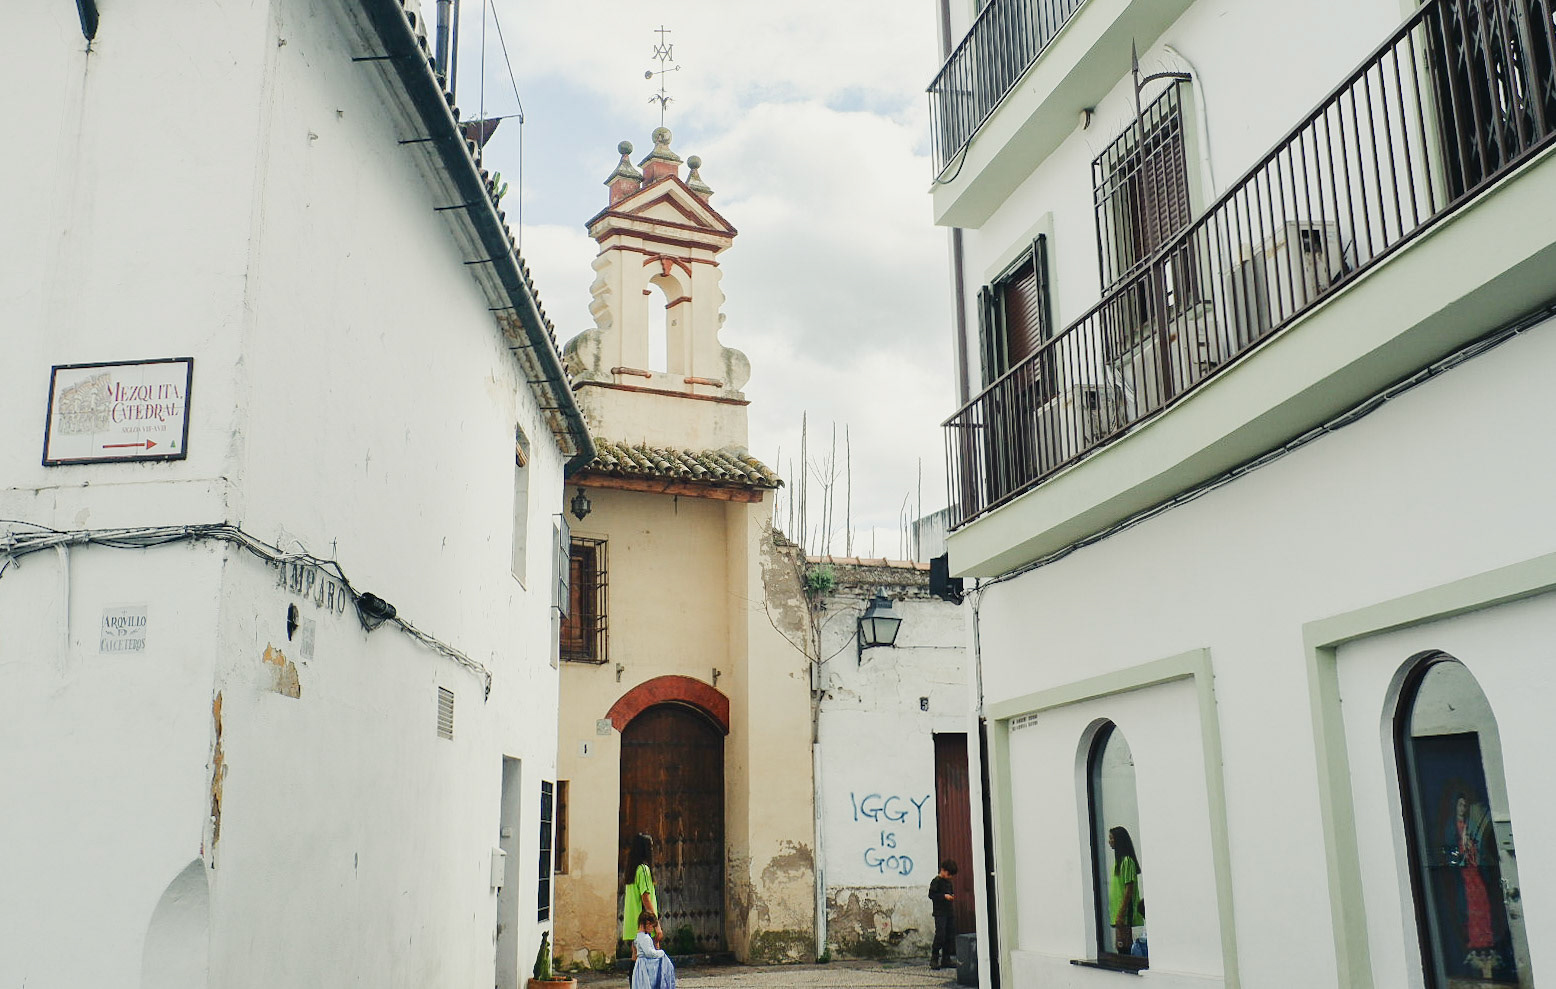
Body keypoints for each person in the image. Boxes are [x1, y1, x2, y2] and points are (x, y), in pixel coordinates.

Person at [1107, 827, 1145, 956]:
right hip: (1117, 911)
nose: (1109, 841)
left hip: (1124, 913)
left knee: (1124, 944)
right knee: (1119, 944)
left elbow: (1129, 888)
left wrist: (1121, 913)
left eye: (1112, 838)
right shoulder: (1117, 863)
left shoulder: (1127, 861)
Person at [622, 833, 660, 953]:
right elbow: (646, 898)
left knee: (636, 956)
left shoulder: (632, 870)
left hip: (634, 921)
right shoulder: (643, 870)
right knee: (652, 957)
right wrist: (656, 924)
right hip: (645, 922)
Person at [631, 911, 676, 989]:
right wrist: (661, 953)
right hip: (645, 966)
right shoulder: (645, 938)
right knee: (646, 984)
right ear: (647, 924)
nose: (652, 930)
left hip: (640, 964)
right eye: (652, 926)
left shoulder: (638, 936)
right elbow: (649, 953)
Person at [929, 859, 958, 970]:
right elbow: (931, 895)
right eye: (949, 874)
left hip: (949, 912)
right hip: (940, 912)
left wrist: (951, 896)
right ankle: (934, 958)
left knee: (949, 935)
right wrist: (943, 896)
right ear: (943, 870)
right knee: (940, 935)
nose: (950, 876)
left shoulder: (948, 882)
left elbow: (950, 892)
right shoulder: (936, 881)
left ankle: (946, 959)